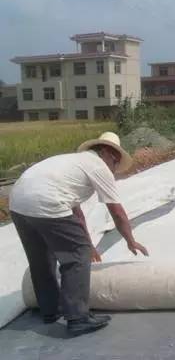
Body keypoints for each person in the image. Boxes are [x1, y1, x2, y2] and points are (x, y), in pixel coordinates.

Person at [9, 132, 149, 336]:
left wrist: (89, 244)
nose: (115, 167)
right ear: (106, 152)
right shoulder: (99, 166)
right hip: (46, 201)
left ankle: (50, 310)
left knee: (41, 258)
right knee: (76, 257)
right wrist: (130, 240)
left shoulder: (74, 162)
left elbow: (77, 213)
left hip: (19, 203)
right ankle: (78, 318)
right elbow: (116, 211)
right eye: (115, 161)